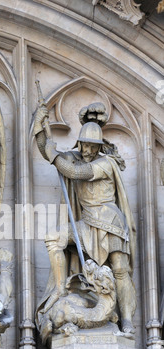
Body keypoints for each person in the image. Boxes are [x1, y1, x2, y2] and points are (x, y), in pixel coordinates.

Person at [34, 105, 137, 335]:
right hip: (87, 223)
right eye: (86, 144)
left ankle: (127, 320)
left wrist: (53, 155)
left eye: (93, 145)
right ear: (79, 143)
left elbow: (75, 173)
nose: (89, 149)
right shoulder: (75, 158)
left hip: (111, 222)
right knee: (54, 238)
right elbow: (48, 152)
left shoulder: (105, 163)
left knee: (120, 269)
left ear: (100, 147)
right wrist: (40, 128)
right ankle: (60, 289)